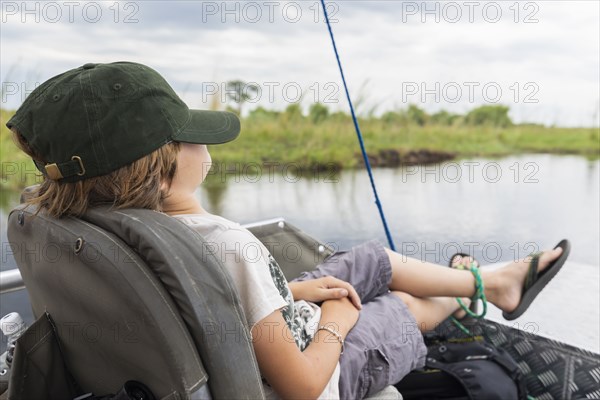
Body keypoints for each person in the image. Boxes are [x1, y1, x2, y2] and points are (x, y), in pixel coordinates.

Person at [7, 62, 569, 400]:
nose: (208, 148)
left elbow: (210, 306)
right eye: (195, 137)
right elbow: (301, 387)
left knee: (370, 259)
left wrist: (294, 293)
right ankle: (467, 287)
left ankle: (490, 283)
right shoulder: (229, 246)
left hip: (266, 325)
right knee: (398, 301)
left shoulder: (87, 221)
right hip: (320, 371)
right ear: (164, 162)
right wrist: (337, 323)